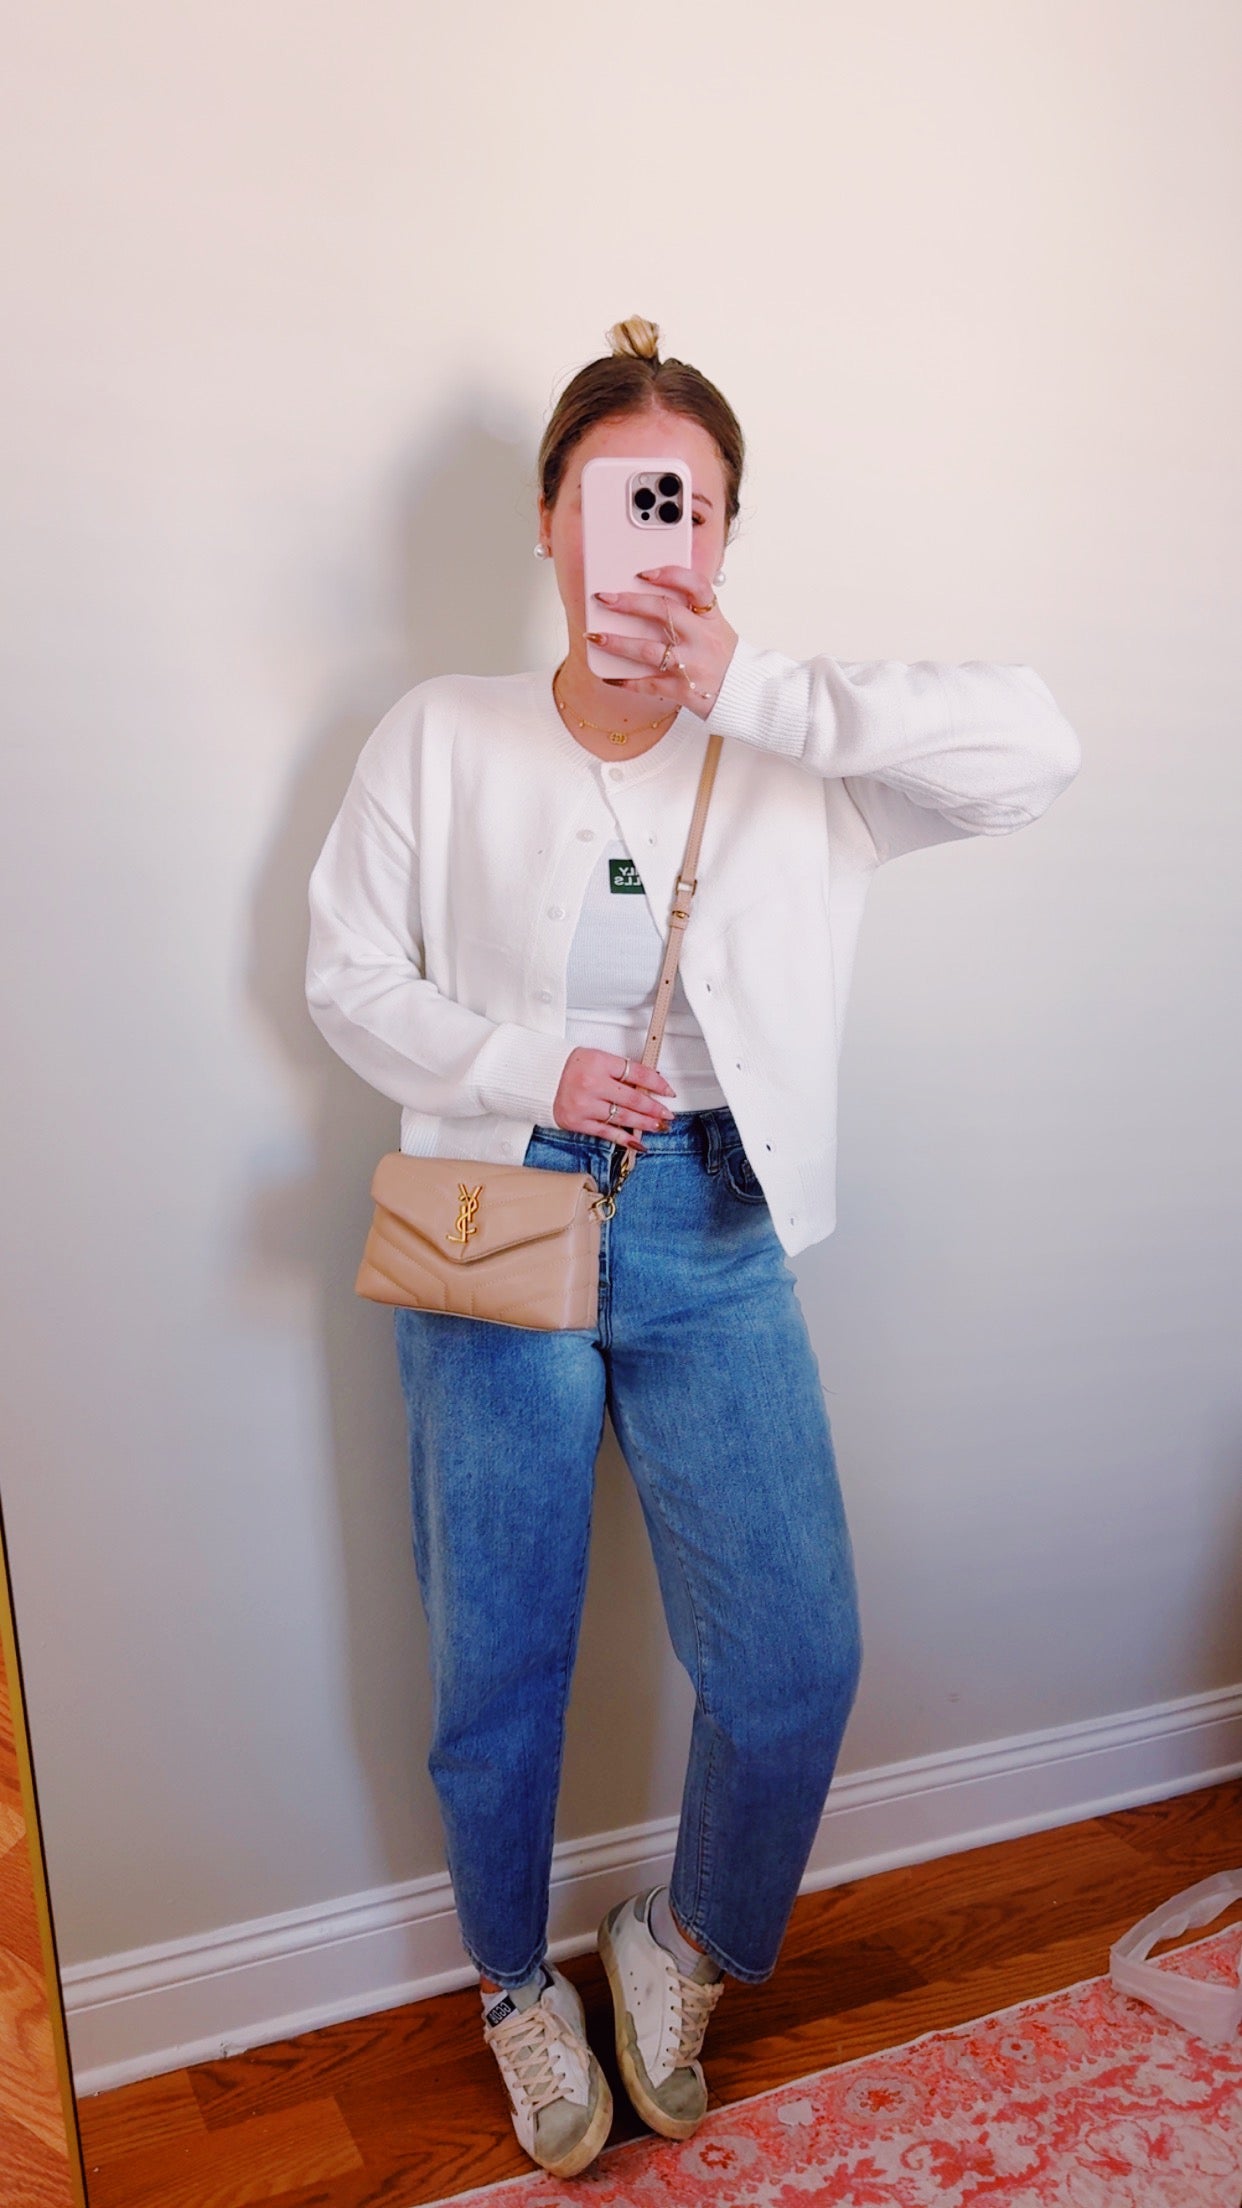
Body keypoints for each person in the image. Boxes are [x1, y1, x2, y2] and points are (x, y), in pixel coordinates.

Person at [305, 316, 1081, 2178]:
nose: (651, 539)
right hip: (502, 1209)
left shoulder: (795, 753)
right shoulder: (441, 733)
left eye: (690, 507)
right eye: (613, 497)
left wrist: (769, 689)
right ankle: (514, 1983)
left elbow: (1035, 752)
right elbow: (345, 974)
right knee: (498, 1656)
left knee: (794, 1658)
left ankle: (684, 1940)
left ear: (725, 536)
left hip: (715, 1222)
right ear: (549, 521)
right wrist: (527, 1067)